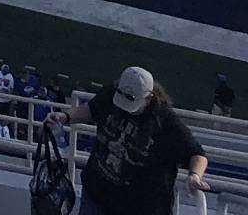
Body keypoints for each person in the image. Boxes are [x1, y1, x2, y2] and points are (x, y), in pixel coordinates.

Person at [68, 67, 208, 215]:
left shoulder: (166, 123)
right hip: (97, 193)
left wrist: (194, 175)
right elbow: (92, 110)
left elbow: (197, 154)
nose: (127, 110)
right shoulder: (114, 93)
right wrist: (66, 116)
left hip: (138, 207)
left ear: (149, 98)